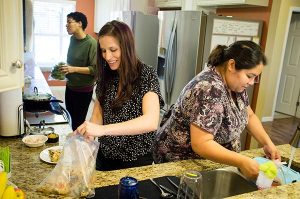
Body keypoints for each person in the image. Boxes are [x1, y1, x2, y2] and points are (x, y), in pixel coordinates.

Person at [153, 40, 280, 179]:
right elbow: (202, 143)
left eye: (256, 77)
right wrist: (242, 161)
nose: (251, 82)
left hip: (211, 165)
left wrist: (268, 143)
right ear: (231, 65)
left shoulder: (235, 85)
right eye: (250, 76)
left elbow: (249, 115)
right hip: (183, 167)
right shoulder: (209, 88)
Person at [75, 20, 164, 171]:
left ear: (126, 46)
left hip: (136, 161)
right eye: (103, 51)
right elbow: (98, 113)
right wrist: (89, 132)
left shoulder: (146, 74)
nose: (108, 56)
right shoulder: (105, 74)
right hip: (105, 157)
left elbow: (151, 121)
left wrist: (103, 130)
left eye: (113, 50)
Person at [61, 12, 97, 130]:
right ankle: (71, 145)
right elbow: (72, 61)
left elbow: (95, 69)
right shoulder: (72, 39)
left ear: (80, 23)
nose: (66, 25)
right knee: (70, 119)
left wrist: (73, 69)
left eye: (69, 22)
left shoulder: (91, 43)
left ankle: (79, 146)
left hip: (83, 90)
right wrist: (65, 69)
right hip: (70, 86)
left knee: (78, 122)